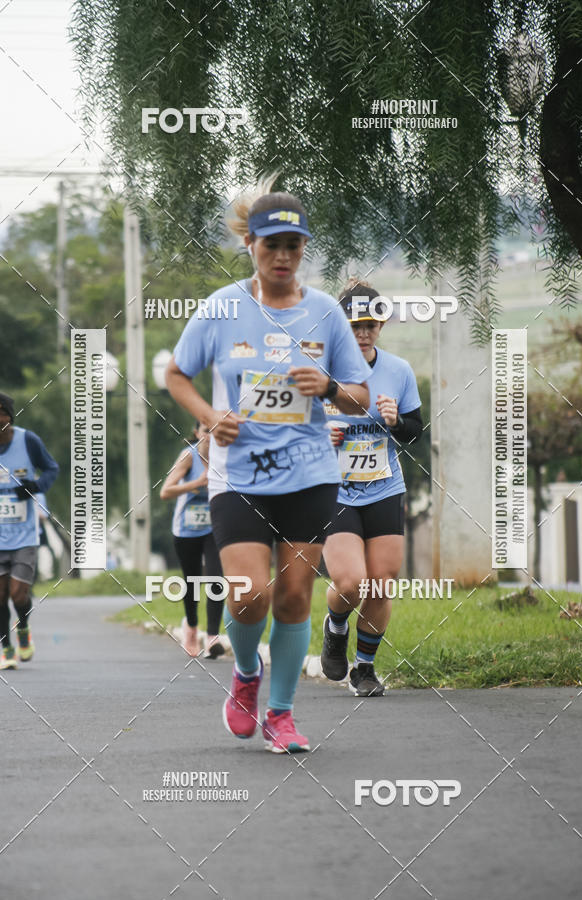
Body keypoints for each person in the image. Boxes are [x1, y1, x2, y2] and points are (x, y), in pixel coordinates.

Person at [165, 177, 371, 752]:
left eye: (293, 246)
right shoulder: (223, 307)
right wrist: (211, 417)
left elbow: (359, 394)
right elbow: (176, 374)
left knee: (293, 598)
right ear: (250, 245)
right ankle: (247, 675)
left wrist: (329, 385)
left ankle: (280, 715)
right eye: (270, 245)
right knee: (248, 595)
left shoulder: (326, 313)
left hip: (309, 472)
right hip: (239, 474)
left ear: (304, 249)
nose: (282, 257)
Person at [320, 280, 423, 696]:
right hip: (334, 491)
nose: (363, 333)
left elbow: (416, 431)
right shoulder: (320, 370)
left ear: (381, 325)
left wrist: (396, 421)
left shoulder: (398, 371)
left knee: (381, 582)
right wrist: (319, 435)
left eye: (371, 324)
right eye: (354, 325)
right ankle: (336, 624)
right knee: (350, 583)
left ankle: (364, 668)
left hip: (383, 488)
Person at [0, 393, 59, 669]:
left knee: (18, 595)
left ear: (9, 417)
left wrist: (35, 487)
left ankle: (22, 627)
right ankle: (6, 648)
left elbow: (51, 469)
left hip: (24, 535)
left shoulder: (28, 441)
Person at [160, 422, 225, 659]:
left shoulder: (223, 456)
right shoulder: (189, 456)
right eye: (206, 430)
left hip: (214, 527)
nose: (210, 435)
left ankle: (212, 637)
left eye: (214, 430)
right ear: (197, 433)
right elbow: (165, 491)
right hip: (186, 529)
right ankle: (191, 626)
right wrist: (197, 484)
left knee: (217, 578)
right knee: (193, 582)